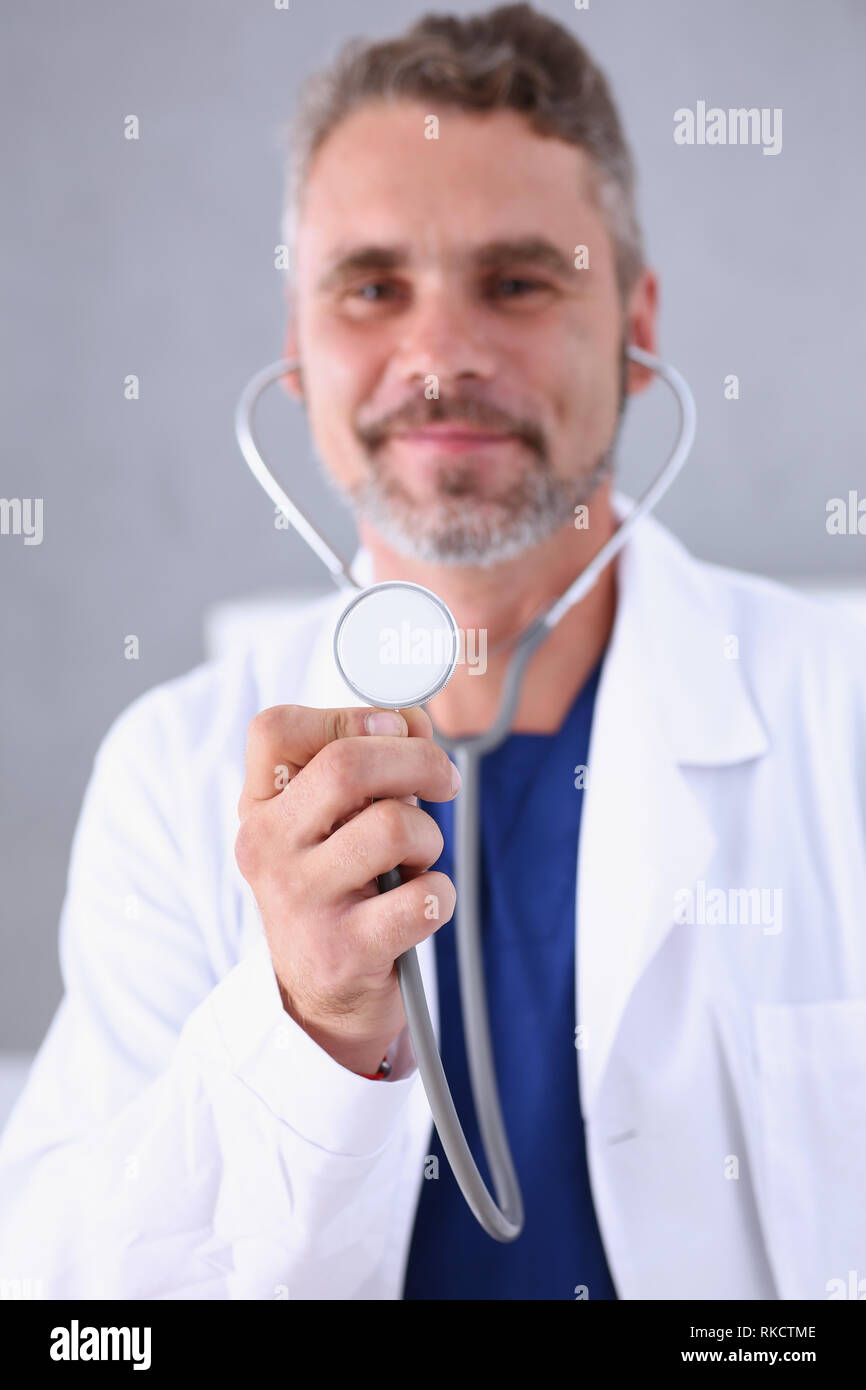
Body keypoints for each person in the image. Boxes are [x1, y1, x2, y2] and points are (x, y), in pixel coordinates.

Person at [1, 2, 865, 1302]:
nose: (442, 356)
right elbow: (80, 1308)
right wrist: (305, 1028)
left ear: (636, 329)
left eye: (517, 282)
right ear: (296, 350)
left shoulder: (841, 719)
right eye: (371, 287)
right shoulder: (171, 773)